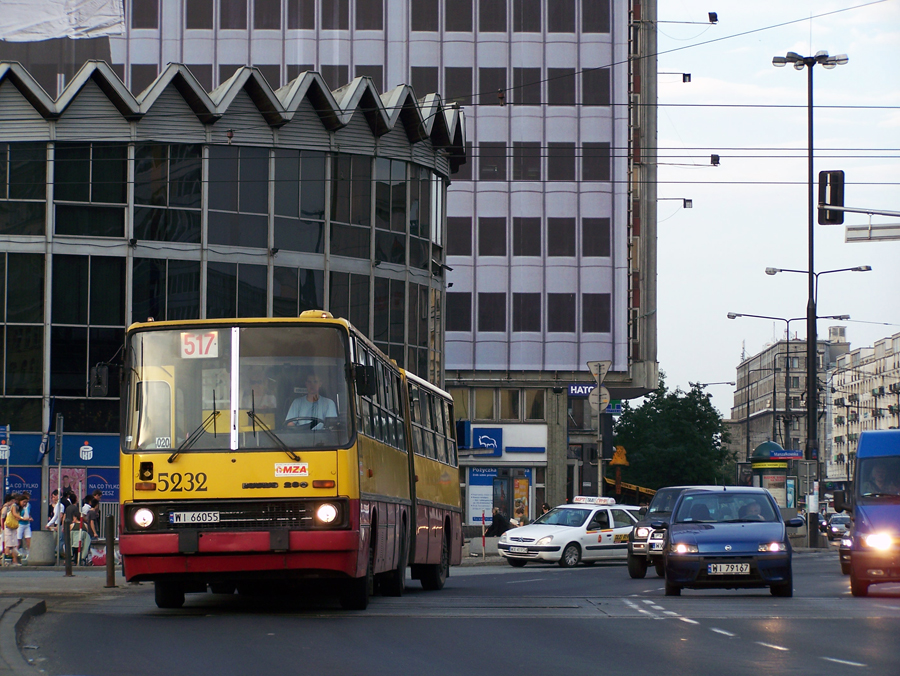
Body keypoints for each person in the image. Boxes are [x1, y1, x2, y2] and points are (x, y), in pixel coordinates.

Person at [3, 493, 21, 566]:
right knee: (8, 545)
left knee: (13, 545)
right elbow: (2, 518)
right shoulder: (6, 507)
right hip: (7, 527)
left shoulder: (13, 507)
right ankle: (5, 561)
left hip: (12, 527)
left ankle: (14, 561)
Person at [16, 491, 33, 561]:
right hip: (20, 524)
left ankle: (29, 554)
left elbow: (28, 513)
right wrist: (23, 518)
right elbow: (17, 516)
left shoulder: (29, 505)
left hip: (27, 524)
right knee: (18, 540)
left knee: (28, 539)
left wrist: (30, 517)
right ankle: (16, 554)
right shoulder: (18, 507)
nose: (26, 502)